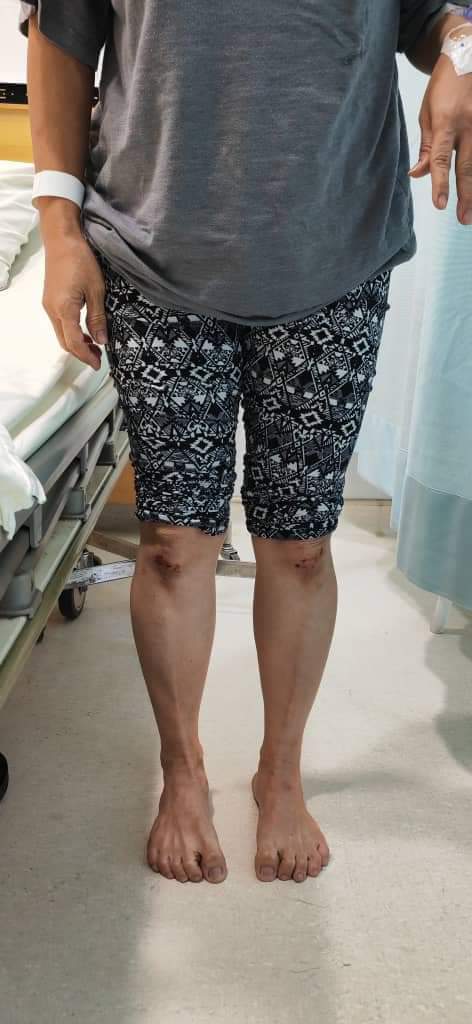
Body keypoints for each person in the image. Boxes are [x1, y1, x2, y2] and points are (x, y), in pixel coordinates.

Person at [20, 1, 472, 885]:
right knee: (173, 543)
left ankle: (280, 772)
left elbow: (434, 16)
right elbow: (61, 38)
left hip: (334, 256)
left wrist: (463, 53)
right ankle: (183, 772)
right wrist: (60, 229)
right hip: (153, 252)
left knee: (301, 546)